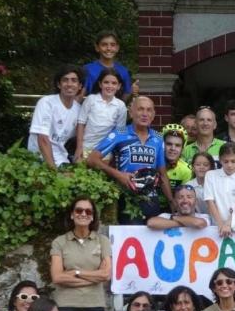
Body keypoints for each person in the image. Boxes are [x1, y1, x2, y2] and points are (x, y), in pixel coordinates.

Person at [87, 96, 174, 224]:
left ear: (153, 114)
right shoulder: (119, 134)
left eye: (149, 110)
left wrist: (172, 202)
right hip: (127, 200)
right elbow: (92, 159)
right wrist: (118, 175)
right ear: (131, 112)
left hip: (152, 201)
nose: (145, 114)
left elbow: (162, 174)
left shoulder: (158, 138)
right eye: (140, 109)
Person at [49, 197, 111, 311]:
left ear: (93, 217)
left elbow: (106, 274)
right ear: (72, 214)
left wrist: (75, 273)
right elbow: (57, 277)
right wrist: (93, 276)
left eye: (88, 211)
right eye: (79, 210)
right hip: (67, 306)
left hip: (94, 305)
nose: (83, 214)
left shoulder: (102, 241)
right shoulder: (60, 242)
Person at [27, 65, 84, 170]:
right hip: (38, 158)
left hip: (61, 158)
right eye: (65, 80)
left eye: (74, 80)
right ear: (59, 84)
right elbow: (43, 139)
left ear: (80, 86)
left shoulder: (79, 110)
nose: (69, 84)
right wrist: (53, 172)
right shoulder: (46, 103)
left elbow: (83, 137)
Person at [74, 67, 127, 163]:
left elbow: (119, 132)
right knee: (80, 170)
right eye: (106, 82)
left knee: (101, 173)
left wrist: (114, 152)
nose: (109, 86)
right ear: (100, 84)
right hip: (85, 146)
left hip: (105, 150)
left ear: (119, 86)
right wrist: (79, 148)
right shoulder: (91, 99)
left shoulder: (120, 105)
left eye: (114, 83)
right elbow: (81, 123)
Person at [205, 142, 235, 237]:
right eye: (226, 161)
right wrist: (221, 225)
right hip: (216, 226)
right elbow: (210, 202)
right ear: (220, 160)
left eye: (233, 161)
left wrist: (228, 224)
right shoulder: (210, 175)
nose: (229, 165)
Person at [81, 30, 136, 98]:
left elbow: (125, 98)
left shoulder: (124, 71)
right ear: (97, 47)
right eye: (104, 45)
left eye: (112, 45)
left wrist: (132, 90)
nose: (109, 48)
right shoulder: (88, 69)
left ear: (117, 48)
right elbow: (81, 96)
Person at [161, 124, 194, 190]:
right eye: (169, 144)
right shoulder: (151, 164)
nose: (173, 148)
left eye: (177, 145)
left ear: (182, 148)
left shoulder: (186, 170)